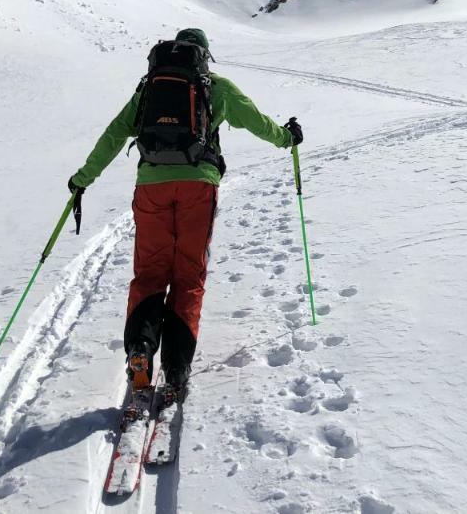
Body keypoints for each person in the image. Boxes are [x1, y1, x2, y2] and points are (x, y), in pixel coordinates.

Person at [67, 27, 303, 404]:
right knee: (188, 276)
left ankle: (141, 349)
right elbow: (257, 122)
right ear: (204, 56)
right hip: (199, 185)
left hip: (151, 187)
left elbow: (114, 134)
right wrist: (287, 138)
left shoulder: (149, 90)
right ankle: (176, 368)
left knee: (149, 274)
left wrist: (83, 178)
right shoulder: (216, 87)